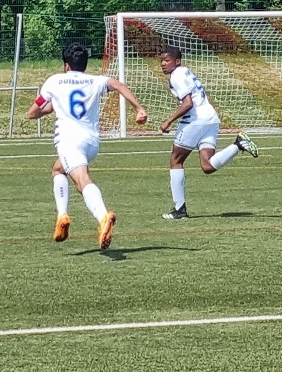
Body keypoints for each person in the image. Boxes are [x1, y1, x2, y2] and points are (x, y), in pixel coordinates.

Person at [27, 43, 149, 250]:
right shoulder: (95, 80)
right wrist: (139, 108)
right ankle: (62, 216)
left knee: (82, 180)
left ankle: (103, 217)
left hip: (69, 141)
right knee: (58, 169)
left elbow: (34, 111)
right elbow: (119, 85)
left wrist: (47, 108)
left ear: (66, 65)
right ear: (85, 64)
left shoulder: (54, 81)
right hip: (91, 143)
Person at [157, 46, 259, 219]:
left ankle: (179, 210)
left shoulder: (176, 76)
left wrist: (168, 121)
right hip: (211, 118)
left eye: (167, 60)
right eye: (161, 61)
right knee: (207, 166)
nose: (163, 64)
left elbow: (188, 103)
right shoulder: (185, 71)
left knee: (176, 161)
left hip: (195, 120)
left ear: (177, 61)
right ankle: (238, 145)